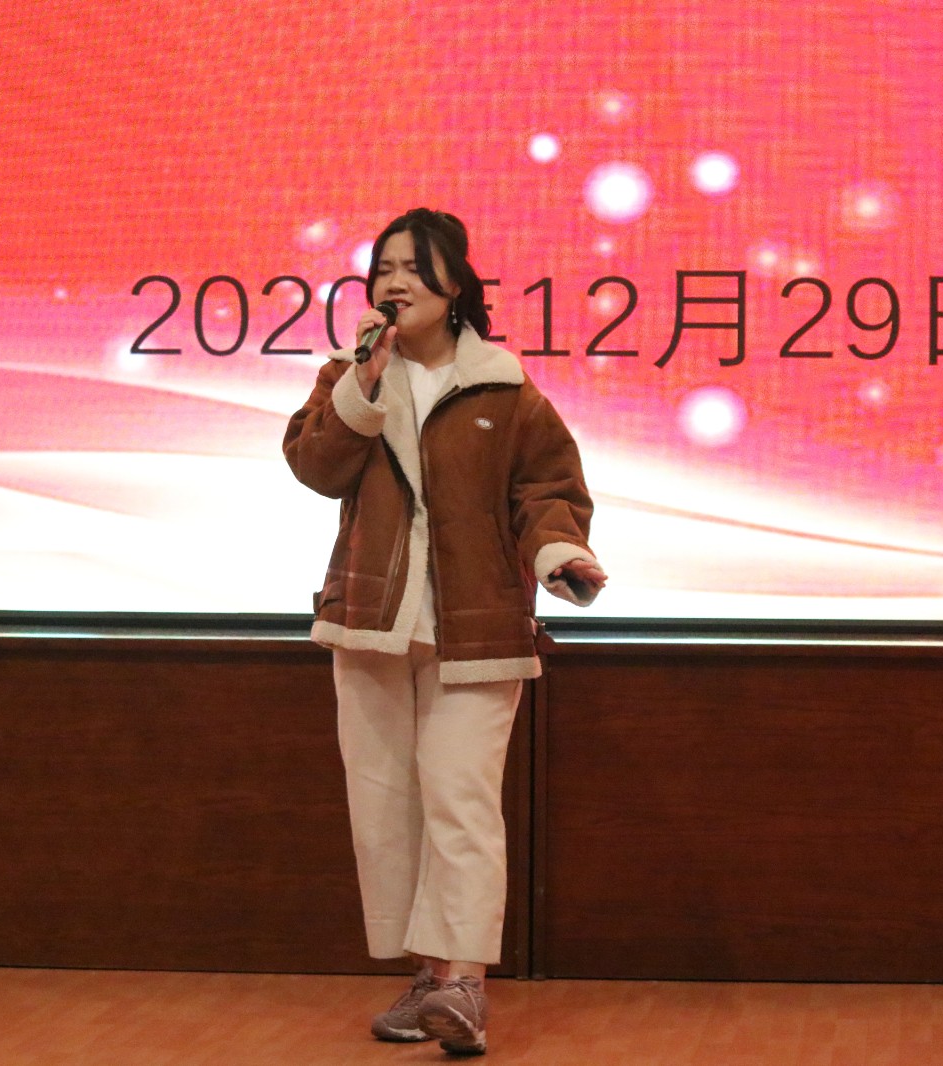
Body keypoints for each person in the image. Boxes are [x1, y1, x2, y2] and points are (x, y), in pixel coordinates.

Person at [283, 208, 606, 1056]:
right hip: (371, 625)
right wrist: (362, 386)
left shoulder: (504, 387)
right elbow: (315, 467)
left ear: (454, 282)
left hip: (479, 628)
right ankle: (429, 976)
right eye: (384, 269)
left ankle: (465, 982)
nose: (395, 283)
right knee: (386, 804)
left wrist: (560, 554)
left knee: (460, 798)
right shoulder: (351, 377)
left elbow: (547, 490)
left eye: (414, 268)